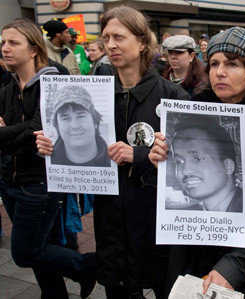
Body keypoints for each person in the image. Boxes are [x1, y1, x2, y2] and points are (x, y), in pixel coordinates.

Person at [37, 6, 190, 298]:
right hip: (110, 217)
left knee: (164, 285)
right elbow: (77, 143)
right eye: (106, 37)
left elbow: (186, 160)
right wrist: (50, 146)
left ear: (142, 42)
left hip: (154, 218)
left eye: (119, 37)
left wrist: (140, 156)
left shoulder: (172, 96)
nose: (111, 45)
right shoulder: (97, 93)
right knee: (118, 288)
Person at [148, 26, 245, 298]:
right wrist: (161, 163)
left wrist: (236, 267)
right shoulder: (188, 115)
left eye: (232, 64)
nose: (219, 72)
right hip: (189, 259)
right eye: (214, 63)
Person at [0, 19, 96, 299]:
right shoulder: (7, 87)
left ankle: (86, 265)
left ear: (33, 49)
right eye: (3, 42)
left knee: (25, 251)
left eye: (13, 42)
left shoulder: (53, 80)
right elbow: (28, 132)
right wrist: (19, 134)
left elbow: (40, 129)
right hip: (9, 181)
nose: (5, 48)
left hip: (41, 182)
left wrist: (8, 133)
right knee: (42, 247)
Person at [171, 115, 242, 212]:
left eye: (197, 159)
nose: (186, 171)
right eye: (179, 161)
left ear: (228, 166)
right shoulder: (184, 217)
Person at [49, 85, 110, 167]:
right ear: (57, 126)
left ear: (94, 121)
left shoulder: (115, 161)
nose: (74, 126)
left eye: (81, 116)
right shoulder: (45, 163)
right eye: (65, 118)